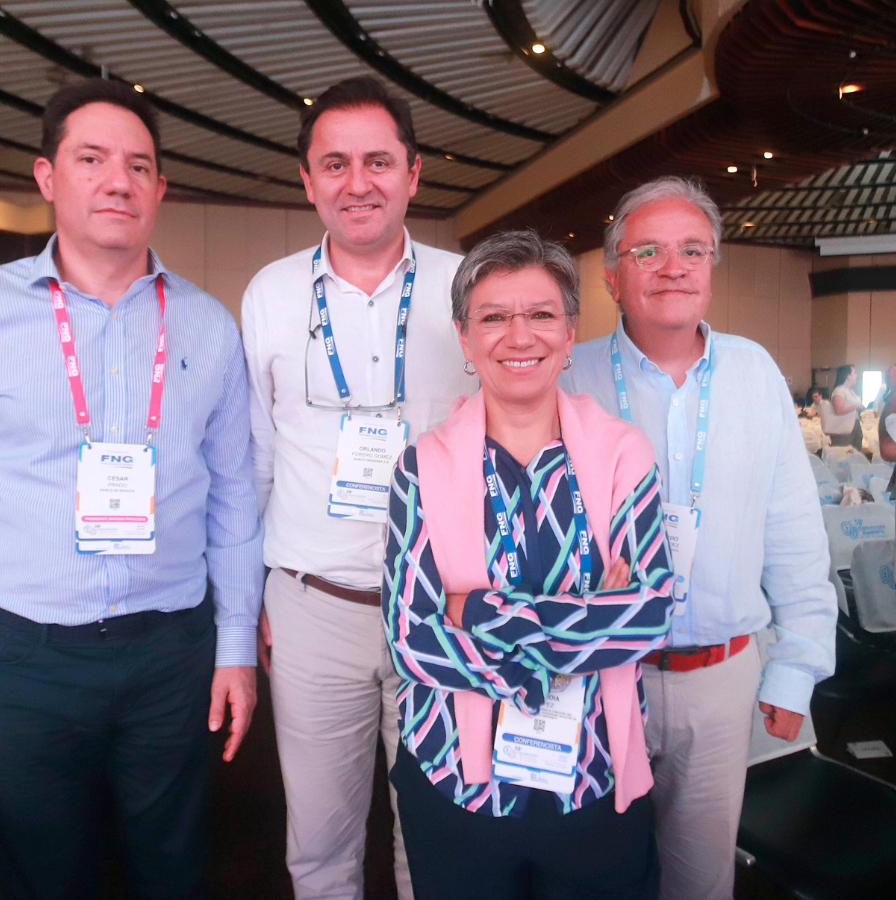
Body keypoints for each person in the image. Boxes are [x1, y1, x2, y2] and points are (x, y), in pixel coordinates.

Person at [0, 77, 263, 900]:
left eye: (139, 165)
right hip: (23, 656)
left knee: (175, 865)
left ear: (159, 188)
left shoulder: (207, 324)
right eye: (92, 159)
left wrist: (234, 647)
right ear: (49, 176)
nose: (118, 180)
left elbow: (233, 500)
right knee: (39, 873)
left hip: (172, 653)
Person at [560, 176, 837, 900]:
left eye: (692, 249)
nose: (672, 266)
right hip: (595, 680)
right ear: (612, 275)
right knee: (592, 874)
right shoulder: (569, 377)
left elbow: (795, 533)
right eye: (646, 250)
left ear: (712, 266)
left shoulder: (755, 373)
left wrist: (798, 666)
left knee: (701, 880)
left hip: (722, 681)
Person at [383, 230, 674, 899]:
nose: (520, 336)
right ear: (465, 338)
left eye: (541, 314)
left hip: (593, 778)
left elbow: (648, 613)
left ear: (570, 334)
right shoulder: (421, 466)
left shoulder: (623, 455)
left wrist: (480, 610)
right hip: (455, 779)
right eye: (494, 317)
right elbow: (412, 639)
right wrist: (580, 628)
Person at [241, 76, 470, 900]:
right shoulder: (269, 294)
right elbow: (257, 463)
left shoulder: (467, 288)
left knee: (438, 834)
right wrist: (251, 605)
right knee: (321, 845)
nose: (357, 181)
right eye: (333, 163)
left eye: (378, 161)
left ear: (414, 172)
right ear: (307, 180)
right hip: (313, 608)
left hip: (445, 608)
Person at [825, 364, 864, 449]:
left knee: (856, 453)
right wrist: (856, 406)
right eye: (854, 373)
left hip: (855, 424)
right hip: (843, 427)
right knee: (844, 454)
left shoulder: (849, 391)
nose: (856, 375)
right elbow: (838, 410)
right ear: (848, 376)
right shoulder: (839, 390)